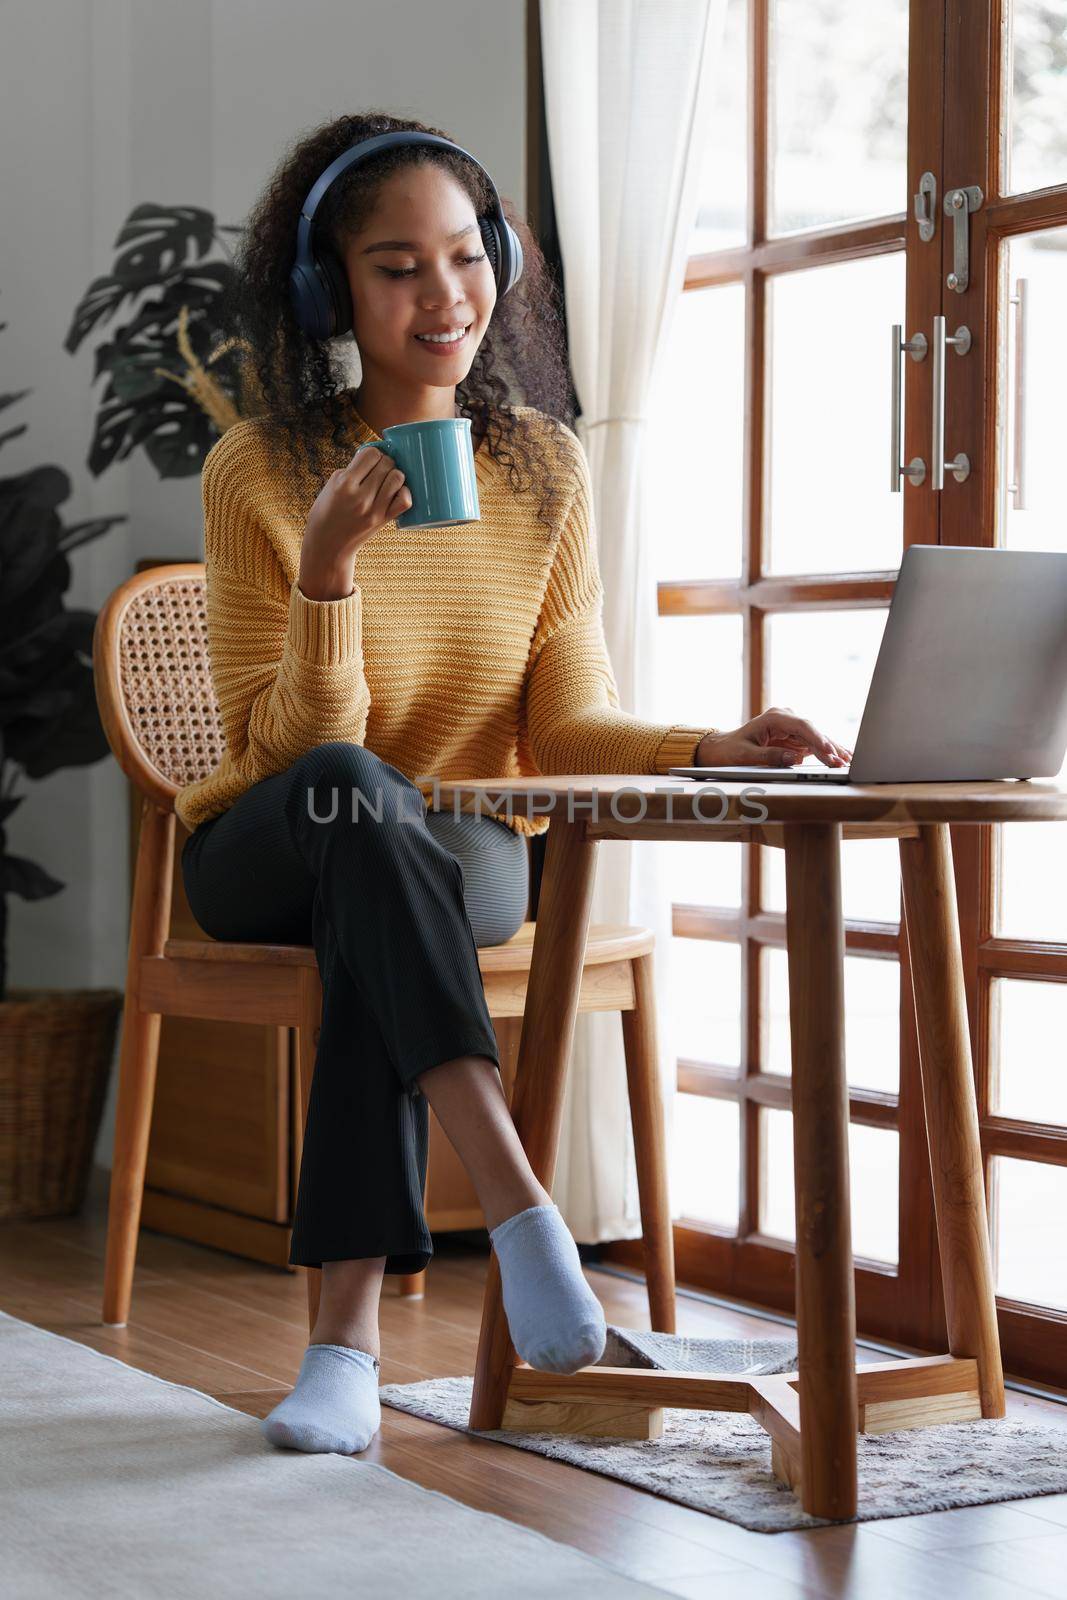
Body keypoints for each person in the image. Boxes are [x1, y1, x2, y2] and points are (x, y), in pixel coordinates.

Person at [176, 109, 852, 1459]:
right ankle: (515, 1197)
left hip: (459, 837)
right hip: (277, 834)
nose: (445, 297)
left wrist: (713, 744)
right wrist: (327, 576)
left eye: (464, 256)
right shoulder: (263, 468)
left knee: (391, 898)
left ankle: (341, 1354)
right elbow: (281, 752)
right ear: (330, 294)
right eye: (396, 267)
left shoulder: (545, 465)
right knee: (361, 807)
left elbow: (566, 720)